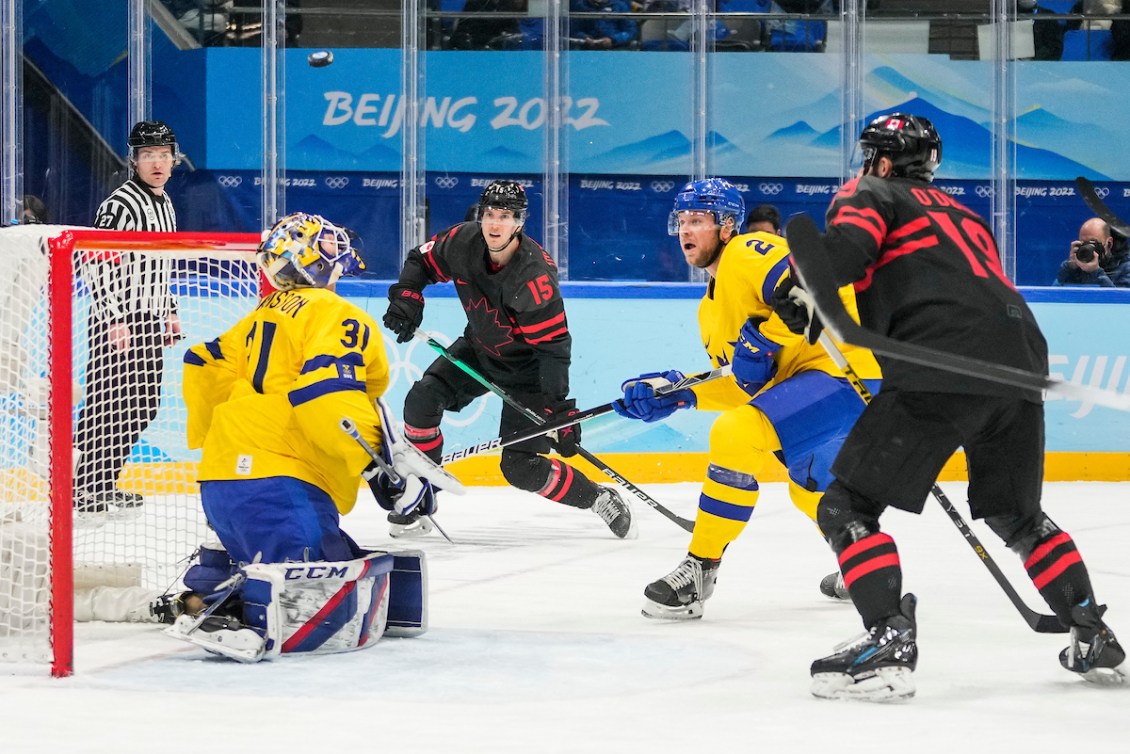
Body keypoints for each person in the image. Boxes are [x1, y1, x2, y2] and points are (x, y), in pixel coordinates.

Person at [781, 112, 1125, 701]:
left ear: (882, 161)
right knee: (1018, 516)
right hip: (1020, 359)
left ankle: (888, 635)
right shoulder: (963, 212)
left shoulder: (870, 190)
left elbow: (848, 256)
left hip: (941, 357)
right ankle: (1090, 630)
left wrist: (804, 279)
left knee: (845, 505)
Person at [162, 213, 459, 661]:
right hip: (278, 484)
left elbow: (202, 362)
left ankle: (205, 593)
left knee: (305, 559)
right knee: (315, 590)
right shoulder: (335, 314)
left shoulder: (261, 312)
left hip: (221, 481)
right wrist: (376, 470)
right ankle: (234, 614)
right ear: (316, 262)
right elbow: (329, 399)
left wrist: (220, 446)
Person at [613, 178, 882, 619]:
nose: (686, 230)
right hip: (817, 392)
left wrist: (771, 335)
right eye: (681, 220)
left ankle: (700, 569)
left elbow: (821, 278)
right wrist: (681, 396)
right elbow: (745, 385)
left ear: (726, 227)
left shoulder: (747, 252)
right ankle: (866, 566)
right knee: (810, 488)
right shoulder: (708, 311)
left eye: (698, 220)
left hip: (850, 375)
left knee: (737, 433)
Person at [382, 179, 634, 539]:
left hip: (529, 372)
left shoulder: (533, 278)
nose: (495, 224)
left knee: (521, 469)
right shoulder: (462, 241)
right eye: (489, 215)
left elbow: (554, 348)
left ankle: (597, 498)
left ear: (519, 222)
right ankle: (423, 491)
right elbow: (420, 260)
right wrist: (407, 297)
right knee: (422, 399)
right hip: (480, 350)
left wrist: (557, 408)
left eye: (505, 216)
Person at [73, 120, 181, 514]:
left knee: (142, 404)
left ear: (173, 160)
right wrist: (114, 319)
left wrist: (170, 312)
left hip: (149, 317)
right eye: (148, 155)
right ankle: (83, 484)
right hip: (115, 320)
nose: (157, 163)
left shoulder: (166, 203)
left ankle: (103, 480)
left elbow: (162, 264)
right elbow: (96, 264)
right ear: (133, 161)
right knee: (108, 401)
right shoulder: (119, 205)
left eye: (164, 155)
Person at [1054, 217, 1130, 287]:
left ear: (1109, 243)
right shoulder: (1076, 265)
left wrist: (1095, 272)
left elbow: (1119, 300)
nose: (1088, 248)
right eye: (1083, 243)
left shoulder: (1126, 268)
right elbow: (1053, 296)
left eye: (1093, 243)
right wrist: (1069, 269)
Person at [570, 0, 639, 50]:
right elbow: (574, 30)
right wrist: (585, 37)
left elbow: (631, 31)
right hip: (589, 50)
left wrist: (613, 40)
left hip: (616, 50)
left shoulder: (619, 5)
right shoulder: (581, 6)